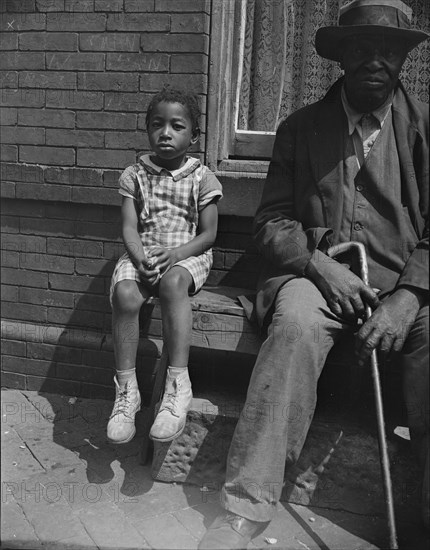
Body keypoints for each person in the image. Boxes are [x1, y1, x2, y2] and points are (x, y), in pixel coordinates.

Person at [198, 1, 429, 548]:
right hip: (315, 280)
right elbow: (271, 221)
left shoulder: (425, 129)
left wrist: (409, 297)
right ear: (340, 58)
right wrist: (318, 264)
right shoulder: (301, 128)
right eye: (362, 48)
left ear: (402, 60)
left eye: (388, 50)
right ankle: (246, 506)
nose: (375, 60)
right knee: (296, 325)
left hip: (405, 287)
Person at [107, 88, 222, 446]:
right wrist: (139, 255)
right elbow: (129, 227)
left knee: (173, 284)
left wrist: (176, 255)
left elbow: (209, 234)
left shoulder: (202, 177)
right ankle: (127, 392)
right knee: (125, 294)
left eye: (177, 126)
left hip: (187, 254)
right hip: (145, 253)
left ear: (194, 135)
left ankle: (178, 385)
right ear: (147, 129)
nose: (166, 133)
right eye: (157, 125)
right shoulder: (135, 174)